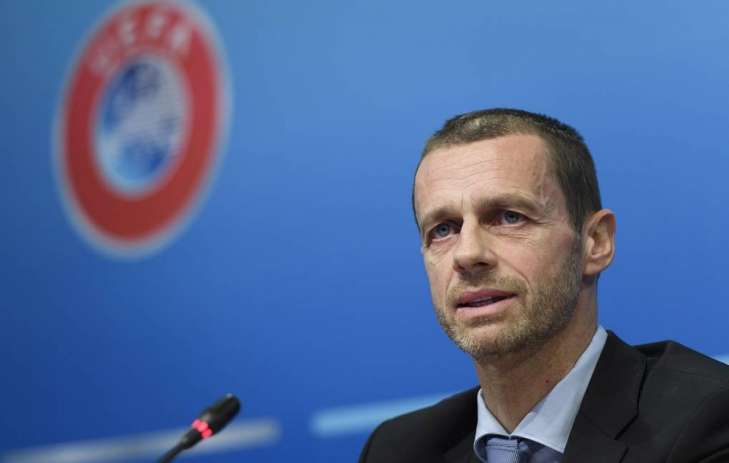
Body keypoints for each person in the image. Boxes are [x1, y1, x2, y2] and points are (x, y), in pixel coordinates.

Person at [358, 109, 729, 463]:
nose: (467, 254)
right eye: (443, 229)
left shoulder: (709, 420)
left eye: (509, 217)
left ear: (596, 242)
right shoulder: (398, 449)